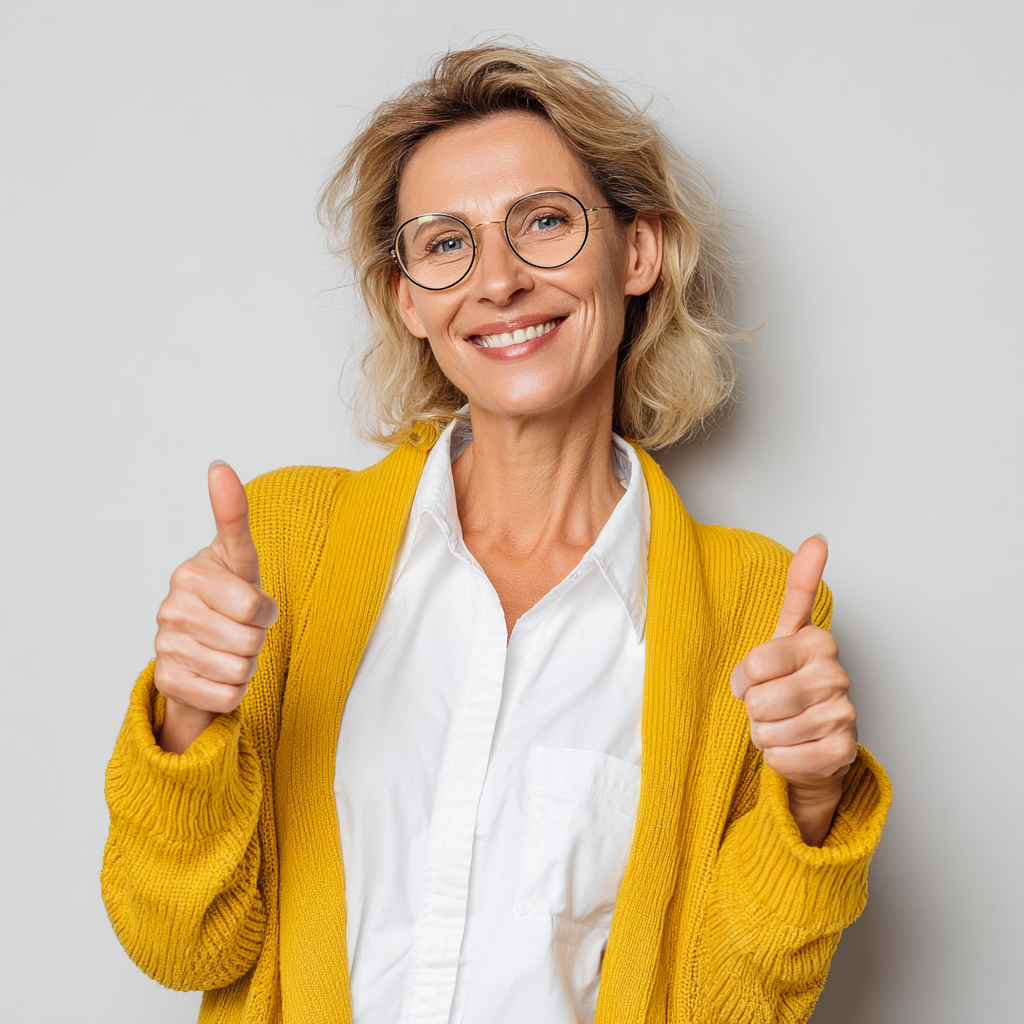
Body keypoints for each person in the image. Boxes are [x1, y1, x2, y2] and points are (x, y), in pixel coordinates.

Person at [101, 44, 890, 1024]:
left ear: (637, 251)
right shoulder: (284, 547)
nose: (499, 280)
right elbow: (184, 946)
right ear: (410, 299)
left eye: (545, 223)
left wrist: (810, 803)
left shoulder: (752, 608)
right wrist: (184, 722)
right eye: (444, 245)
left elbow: (724, 1007)